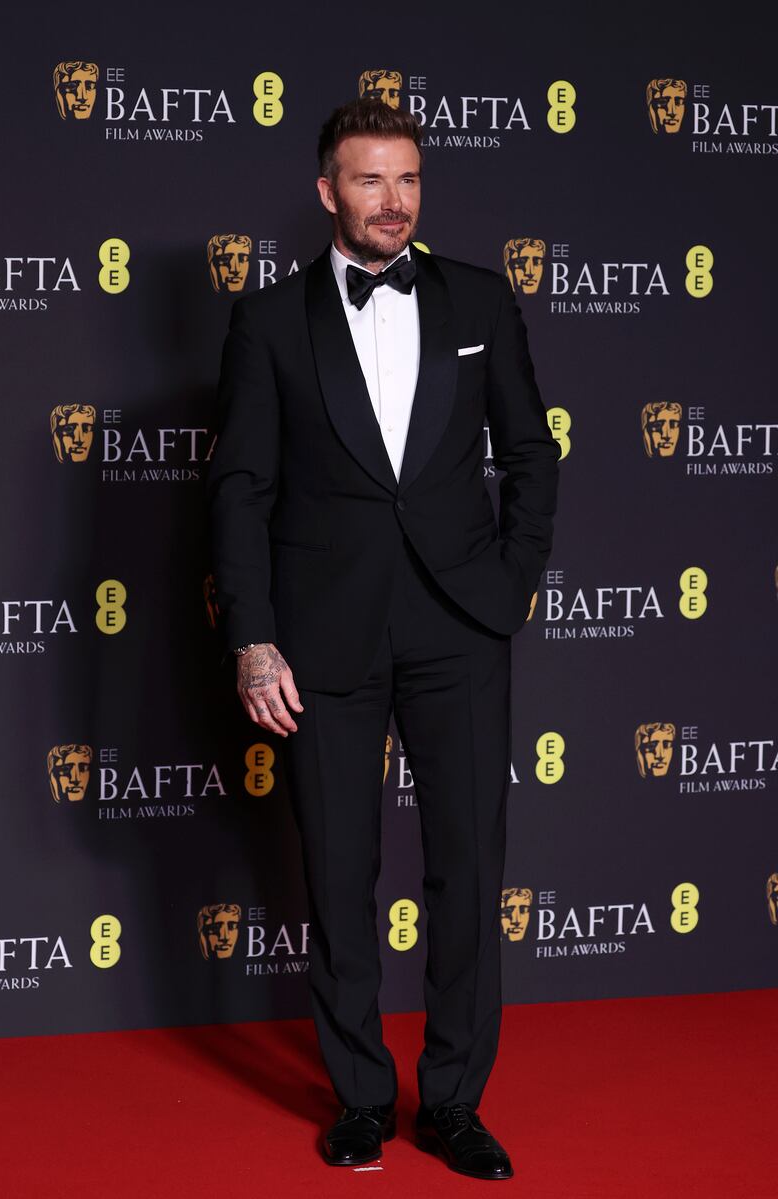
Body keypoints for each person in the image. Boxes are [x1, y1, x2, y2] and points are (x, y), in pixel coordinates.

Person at [207, 97, 560, 1180]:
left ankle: (451, 1100)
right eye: (369, 181)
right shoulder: (270, 319)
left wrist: (507, 586)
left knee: (466, 866)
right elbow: (239, 489)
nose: (393, 202)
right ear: (326, 191)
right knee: (339, 870)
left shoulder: (480, 298)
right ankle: (360, 1095)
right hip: (323, 638)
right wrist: (254, 641)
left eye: (407, 179)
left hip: (460, 625)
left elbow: (529, 455)